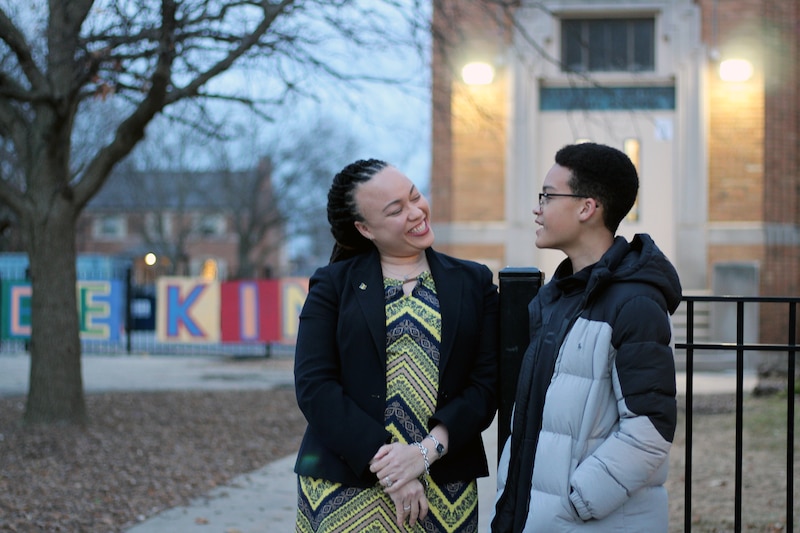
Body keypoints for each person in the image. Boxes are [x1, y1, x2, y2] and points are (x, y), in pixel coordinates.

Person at [294, 158, 499, 532]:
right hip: (347, 483)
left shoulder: (473, 282)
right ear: (364, 228)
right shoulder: (332, 285)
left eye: (414, 196)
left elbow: (486, 385)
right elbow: (314, 386)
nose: (416, 212)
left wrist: (422, 455)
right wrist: (393, 468)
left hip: (444, 485)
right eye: (395, 210)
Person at [490, 142, 682, 532]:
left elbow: (651, 427)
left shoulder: (635, 302)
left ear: (586, 207)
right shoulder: (558, 297)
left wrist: (577, 500)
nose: (537, 208)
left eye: (547, 195)